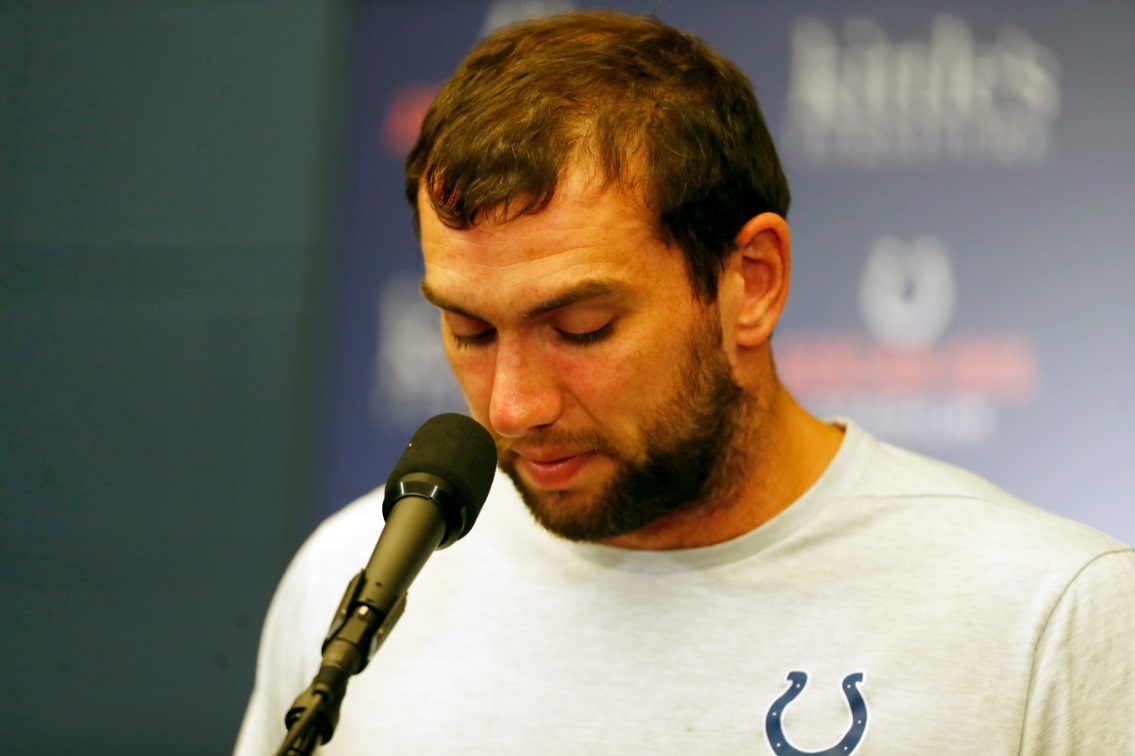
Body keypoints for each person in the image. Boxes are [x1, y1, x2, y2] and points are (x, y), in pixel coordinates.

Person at [236, 11, 1135, 755]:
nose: (511, 407)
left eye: (580, 328)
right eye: (469, 330)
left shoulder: (1049, 620)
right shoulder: (352, 584)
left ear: (750, 281)